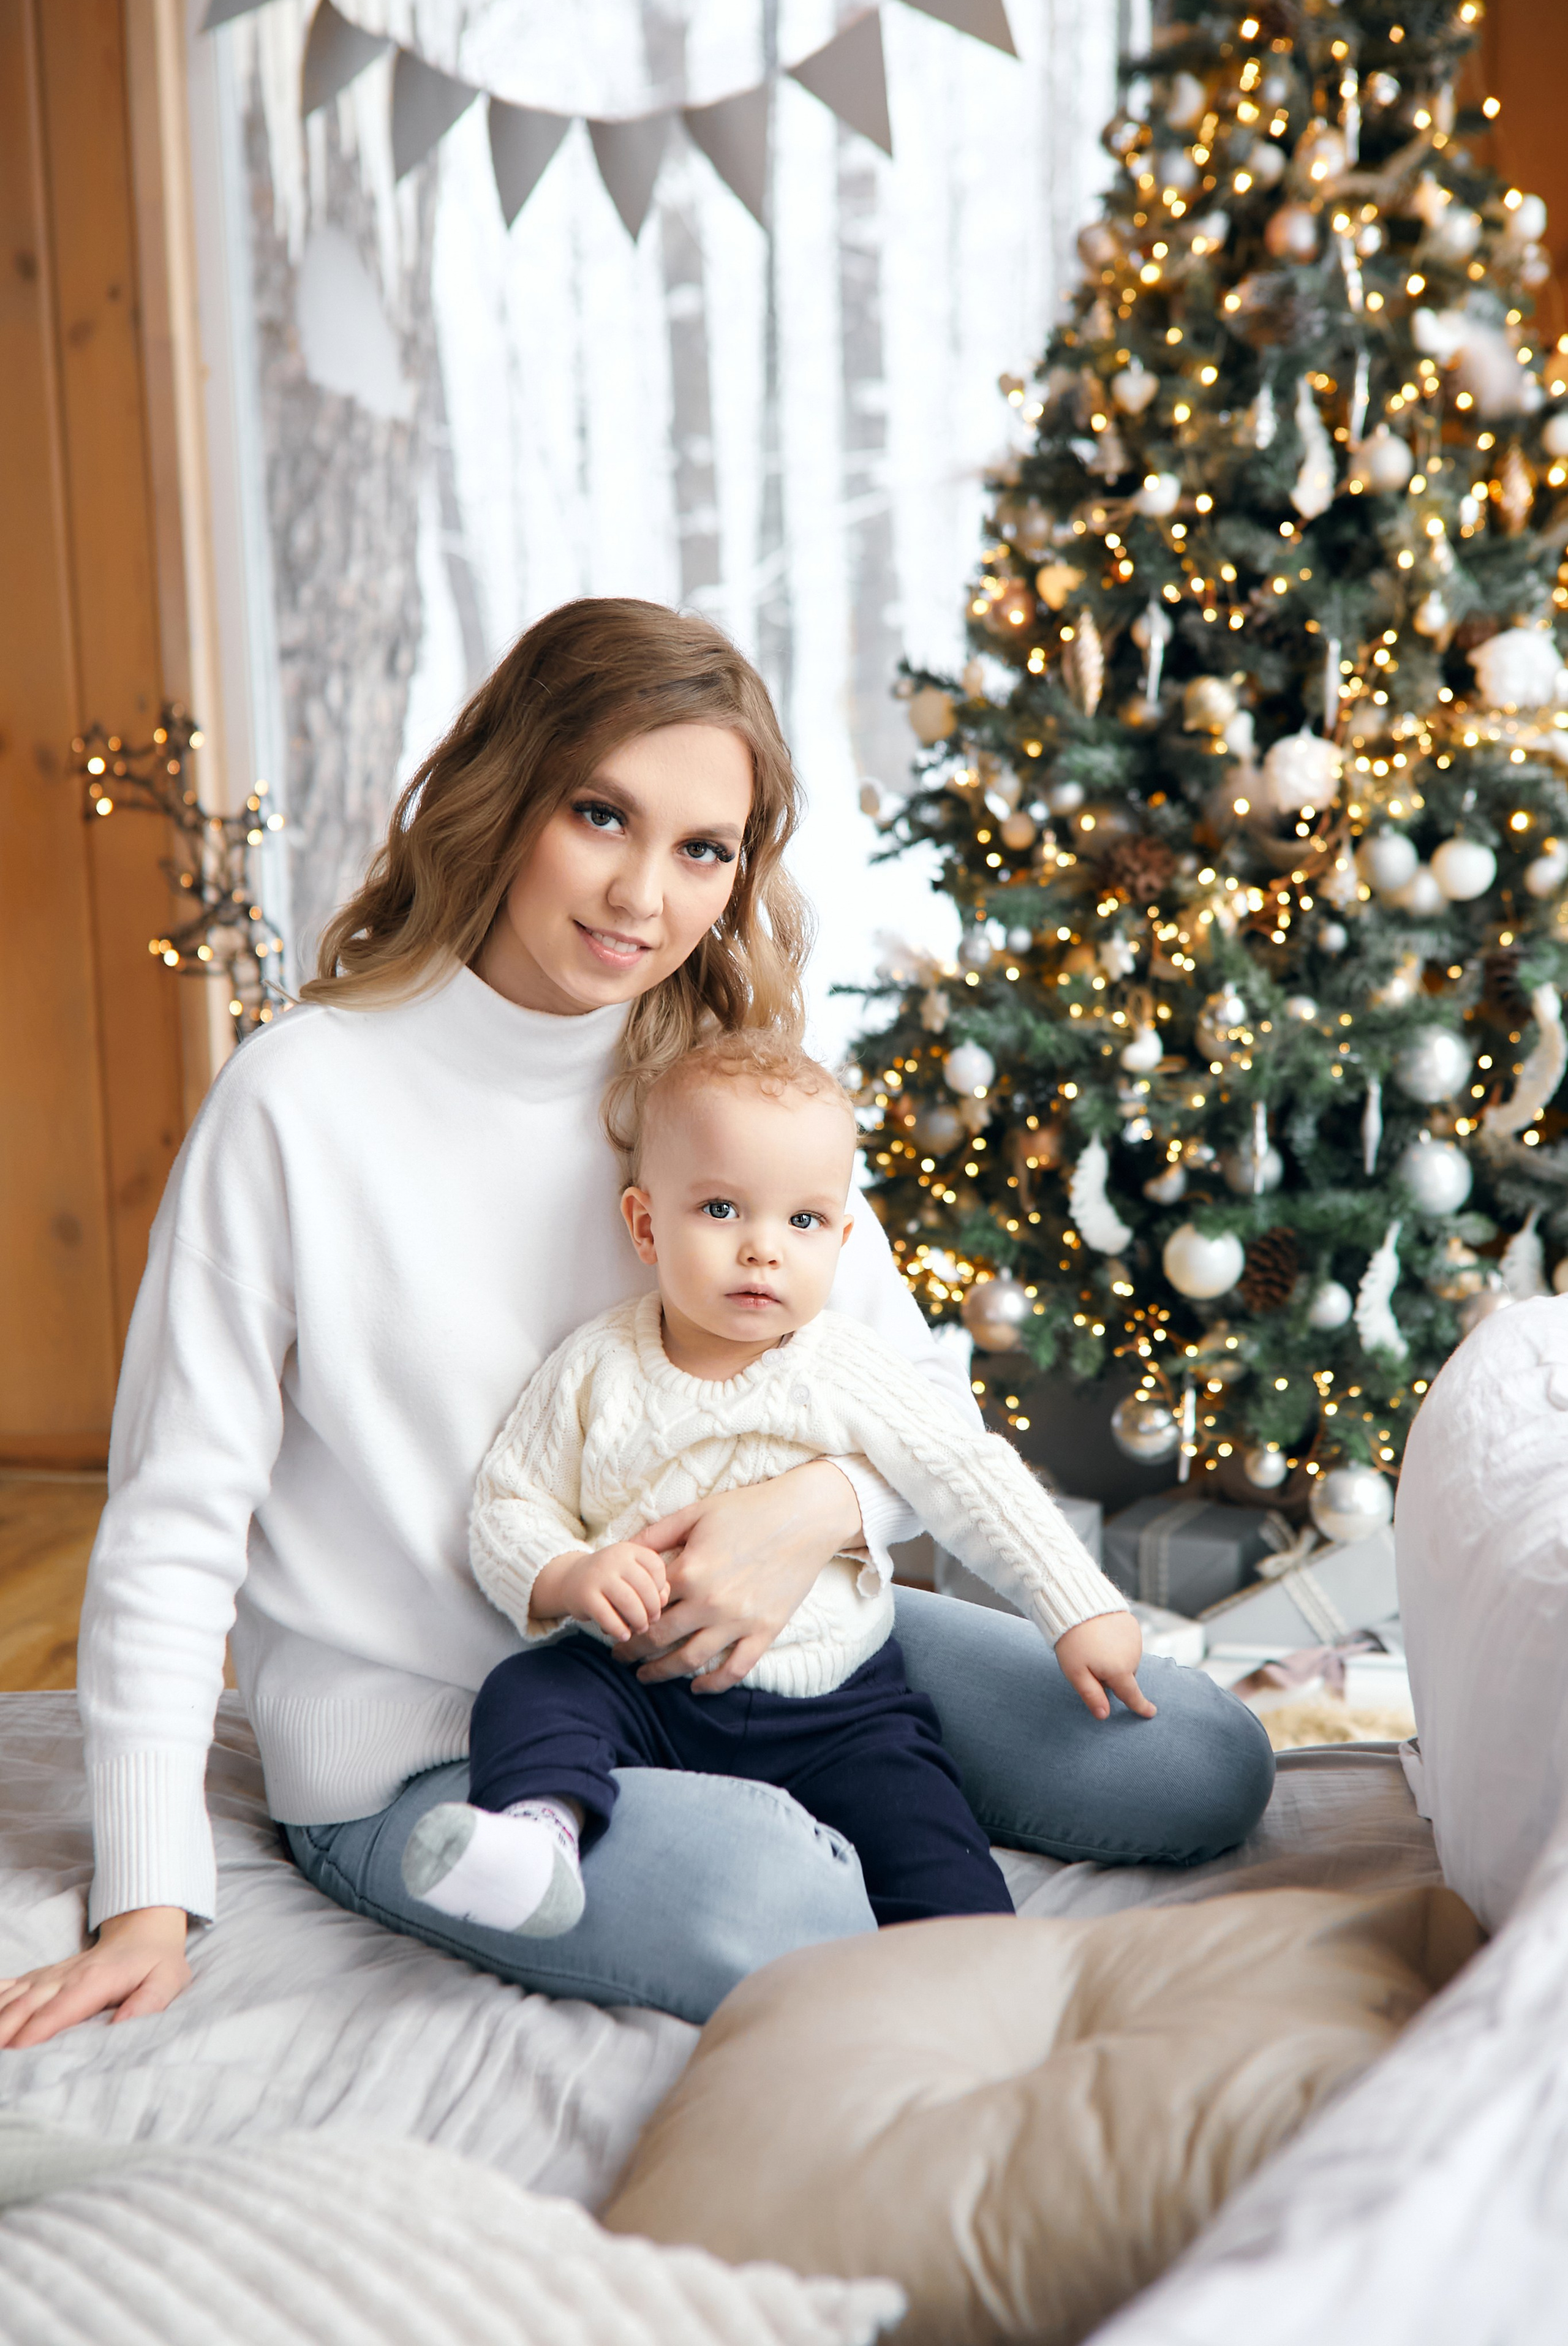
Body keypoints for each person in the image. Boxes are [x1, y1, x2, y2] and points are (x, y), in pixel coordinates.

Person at [0, 598, 1273, 2045]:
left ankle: (829, 1769)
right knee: (785, 1898)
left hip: (770, 1656)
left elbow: (911, 1398)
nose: (639, 896)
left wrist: (805, 1517)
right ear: (503, 796)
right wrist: (146, 1896)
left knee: (1196, 1759)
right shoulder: (298, 1101)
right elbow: (175, 1516)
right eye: (599, 815)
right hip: (452, 1735)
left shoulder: (709, 1090)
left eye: (701, 849)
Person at [405, 1028, 1152, 1942]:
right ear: (646, 1225)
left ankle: (973, 1964)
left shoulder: (844, 1366)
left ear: (841, 1239)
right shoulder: (597, 1366)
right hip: (637, 1682)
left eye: (803, 1222)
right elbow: (512, 1502)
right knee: (529, 1695)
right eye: (722, 1210)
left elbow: (968, 1472)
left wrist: (1077, 1606)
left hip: (837, 1708)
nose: (763, 1250)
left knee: (935, 1851)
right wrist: (567, 1575)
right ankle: (537, 1835)